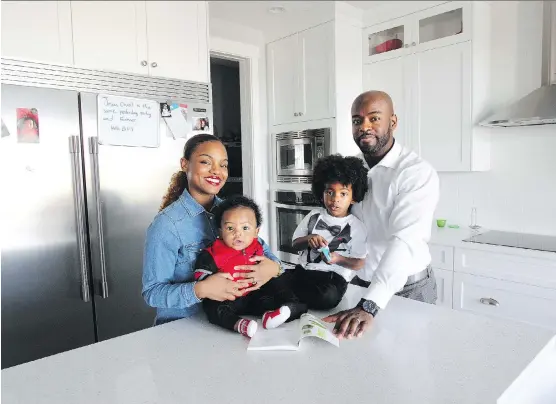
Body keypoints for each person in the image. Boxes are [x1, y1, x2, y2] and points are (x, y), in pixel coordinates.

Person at [324, 90, 440, 340]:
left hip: (407, 290)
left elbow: (404, 241)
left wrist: (370, 304)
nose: (364, 127)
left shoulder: (415, 173)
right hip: (359, 283)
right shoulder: (351, 169)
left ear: (393, 122)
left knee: (408, 368)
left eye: (374, 118)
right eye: (357, 121)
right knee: (361, 364)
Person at [142, 133, 283, 325]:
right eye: (206, 162)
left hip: (235, 321)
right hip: (183, 328)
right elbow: (152, 293)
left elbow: (263, 252)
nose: (217, 171)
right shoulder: (166, 225)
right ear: (185, 164)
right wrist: (202, 289)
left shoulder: (232, 213)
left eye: (223, 165)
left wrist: (274, 267)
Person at [195, 195, 308, 338]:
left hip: (256, 294)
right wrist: (211, 282)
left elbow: (275, 267)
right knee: (213, 308)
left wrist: (272, 271)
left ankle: (287, 310)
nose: (238, 233)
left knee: (280, 285)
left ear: (256, 232)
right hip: (228, 297)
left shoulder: (258, 245)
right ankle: (239, 324)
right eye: (230, 228)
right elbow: (200, 272)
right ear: (220, 232)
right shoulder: (213, 251)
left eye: (245, 228)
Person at [291, 154, 368, 310]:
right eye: (330, 192)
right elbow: (294, 244)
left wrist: (338, 259)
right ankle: (292, 301)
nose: (335, 199)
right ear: (322, 192)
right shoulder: (314, 216)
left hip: (332, 278)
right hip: (304, 271)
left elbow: (359, 263)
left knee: (328, 297)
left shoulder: (356, 227)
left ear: (354, 197)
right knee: (278, 280)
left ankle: (292, 301)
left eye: (343, 194)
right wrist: (309, 239)